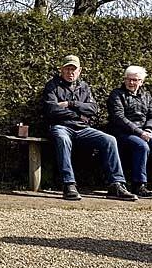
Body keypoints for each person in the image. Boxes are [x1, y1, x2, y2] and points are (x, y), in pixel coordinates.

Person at [42, 55, 138, 202]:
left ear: (80, 71)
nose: (70, 72)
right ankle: (69, 184)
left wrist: (70, 103)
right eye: (67, 69)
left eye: (73, 69)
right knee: (62, 139)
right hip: (61, 126)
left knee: (109, 140)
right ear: (61, 70)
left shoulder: (84, 87)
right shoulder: (52, 86)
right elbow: (52, 110)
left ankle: (116, 184)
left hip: (83, 129)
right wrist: (79, 116)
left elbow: (93, 109)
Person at [106, 66, 152, 199]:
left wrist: (149, 129)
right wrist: (140, 132)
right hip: (123, 131)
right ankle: (139, 185)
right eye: (128, 79)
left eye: (135, 80)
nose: (131, 83)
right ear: (124, 80)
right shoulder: (116, 94)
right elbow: (119, 117)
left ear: (141, 82)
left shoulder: (146, 96)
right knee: (142, 146)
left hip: (145, 131)